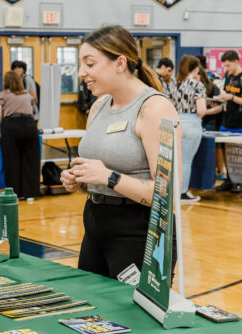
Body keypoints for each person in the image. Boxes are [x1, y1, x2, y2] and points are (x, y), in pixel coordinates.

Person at [60, 25, 179, 281]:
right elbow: (99, 171)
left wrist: (109, 177)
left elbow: (166, 193)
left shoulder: (154, 108)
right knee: (92, 313)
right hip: (95, 222)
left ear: (120, 63)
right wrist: (78, 178)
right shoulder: (100, 104)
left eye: (89, 64)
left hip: (138, 229)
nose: (82, 72)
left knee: (133, 318)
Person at [171, 55, 221, 203]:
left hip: (176, 121)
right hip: (191, 123)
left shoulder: (173, 84)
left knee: (177, 160)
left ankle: (174, 191)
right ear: (195, 68)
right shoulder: (197, 85)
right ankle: (182, 193)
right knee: (186, 161)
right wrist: (216, 109)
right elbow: (201, 111)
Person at [0, 71, 40, 200]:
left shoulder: (2, 95)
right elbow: (31, 110)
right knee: (30, 161)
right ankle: (30, 194)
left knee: (11, 161)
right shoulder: (27, 95)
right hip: (29, 125)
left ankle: (15, 194)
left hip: (11, 126)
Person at [215, 50, 242, 193]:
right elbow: (227, 95)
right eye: (224, 66)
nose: (226, 68)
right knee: (225, 149)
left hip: (239, 122)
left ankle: (239, 180)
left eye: (228, 65)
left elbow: (235, 98)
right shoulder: (228, 75)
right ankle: (230, 179)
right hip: (226, 120)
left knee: (238, 152)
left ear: (237, 62)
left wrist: (231, 97)